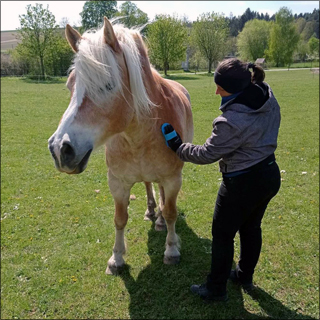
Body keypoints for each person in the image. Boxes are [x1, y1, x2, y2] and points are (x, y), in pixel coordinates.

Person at [161, 58, 281, 302]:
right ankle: (244, 275)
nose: (216, 91)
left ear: (234, 89)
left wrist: (177, 146)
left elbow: (206, 154)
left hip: (241, 184)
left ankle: (215, 289)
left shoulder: (230, 122)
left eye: (221, 88)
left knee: (223, 235)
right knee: (251, 227)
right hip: (269, 174)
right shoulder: (267, 96)